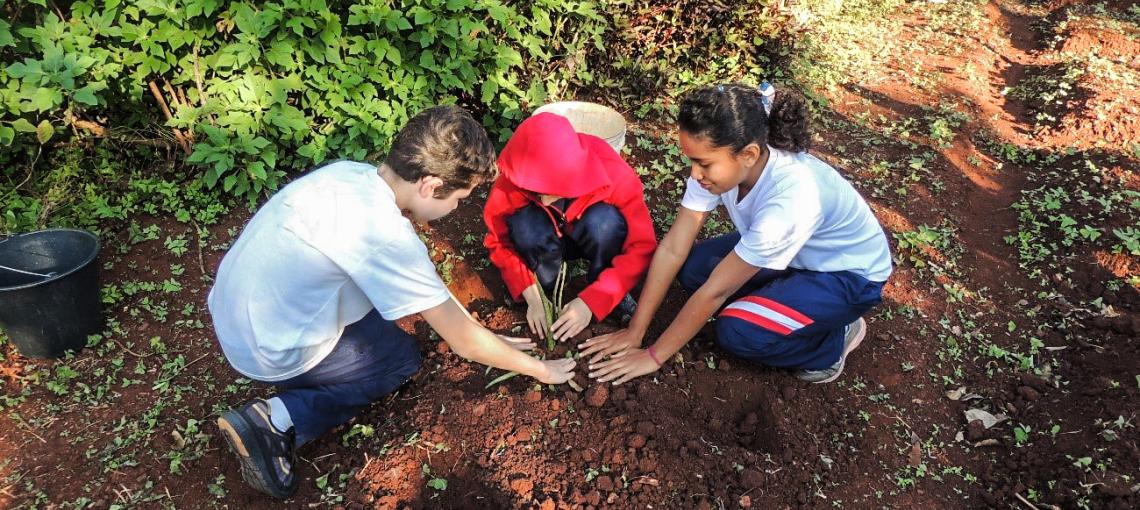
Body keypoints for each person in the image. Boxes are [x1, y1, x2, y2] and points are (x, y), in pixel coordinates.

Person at [208, 106, 576, 499]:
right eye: (459, 198)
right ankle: (275, 420)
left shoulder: (350, 174)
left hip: (234, 316)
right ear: (431, 185)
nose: (456, 209)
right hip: (270, 348)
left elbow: (426, 285)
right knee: (399, 359)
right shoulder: (384, 235)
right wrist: (539, 369)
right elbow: (464, 344)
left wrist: (481, 329)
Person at [580, 83, 892, 386]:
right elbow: (674, 247)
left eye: (703, 163)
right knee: (692, 269)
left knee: (738, 330)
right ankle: (786, 302)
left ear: (748, 155)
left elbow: (715, 292)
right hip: (797, 254)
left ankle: (831, 343)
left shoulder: (790, 200)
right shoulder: (723, 170)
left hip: (848, 277)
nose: (695, 173)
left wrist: (653, 355)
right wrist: (636, 330)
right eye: (692, 161)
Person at [483, 112, 657, 341]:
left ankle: (605, 284)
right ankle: (545, 284)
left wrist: (593, 301)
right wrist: (530, 292)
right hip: (544, 235)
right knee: (525, 227)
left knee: (604, 224)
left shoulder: (613, 173)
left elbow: (642, 246)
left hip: (590, 234)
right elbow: (497, 240)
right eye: (535, 191)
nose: (543, 200)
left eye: (550, 190)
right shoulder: (517, 173)